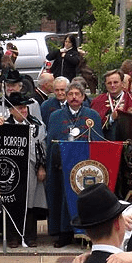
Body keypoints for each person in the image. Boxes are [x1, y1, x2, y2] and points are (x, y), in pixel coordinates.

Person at [45, 81, 103, 247]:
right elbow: (52, 142)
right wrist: (59, 159)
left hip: (86, 169)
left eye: (77, 94)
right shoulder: (56, 116)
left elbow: (97, 141)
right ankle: (64, 233)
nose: (74, 97)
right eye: (70, 94)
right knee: (63, 200)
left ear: (83, 96)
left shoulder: (92, 115)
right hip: (63, 167)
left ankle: (88, 233)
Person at [0, 92, 46, 247]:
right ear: (11, 110)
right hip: (11, 170)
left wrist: (42, 167)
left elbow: (42, 147)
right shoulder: (4, 125)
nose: (24, 111)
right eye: (19, 108)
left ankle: (30, 236)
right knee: (11, 202)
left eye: (25, 107)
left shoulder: (37, 125)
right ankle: (12, 237)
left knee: (30, 202)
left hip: (31, 169)